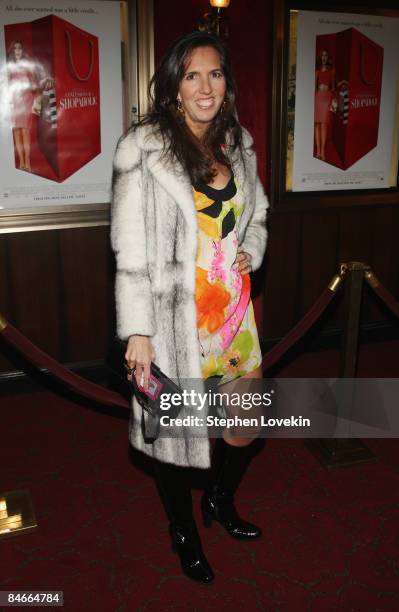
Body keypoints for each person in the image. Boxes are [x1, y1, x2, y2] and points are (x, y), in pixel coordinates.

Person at [110, 31, 269, 584]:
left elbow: (259, 214)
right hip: (171, 322)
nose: (206, 87)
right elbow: (130, 250)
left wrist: (251, 248)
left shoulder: (238, 143)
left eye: (216, 73)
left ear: (227, 83)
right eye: (192, 75)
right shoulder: (144, 147)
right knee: (175, 442)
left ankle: (220, 499)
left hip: (234, 315)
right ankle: (184, 531)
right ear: (174, 86)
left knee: (246, 425)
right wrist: (137, 332)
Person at [6, 40, 53, 172]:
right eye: (15, 49)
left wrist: (43, 82)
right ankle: (21, 161)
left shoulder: (28, 66)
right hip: (13, 102)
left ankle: (27, 162)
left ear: (22, 50)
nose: (17, 51)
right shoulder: (8, 67)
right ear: (12, 51)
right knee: (16, 131)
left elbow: (36, 83)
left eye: (19, 48)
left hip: (26, 100)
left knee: (25, 131)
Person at [314, 49, 336, 161]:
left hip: (326, 98)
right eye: (322, 55)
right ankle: (318, 151)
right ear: (320, 57)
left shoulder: (331, 71)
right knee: (317, 124)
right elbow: (313, 87)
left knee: (324, 124)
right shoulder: (317, 71)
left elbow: (333, 87)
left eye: (325, 55)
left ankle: (323, 151)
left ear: (327, 58)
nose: (324, 57)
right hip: (318, 97)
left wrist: (329, 93)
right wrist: (318, 90)